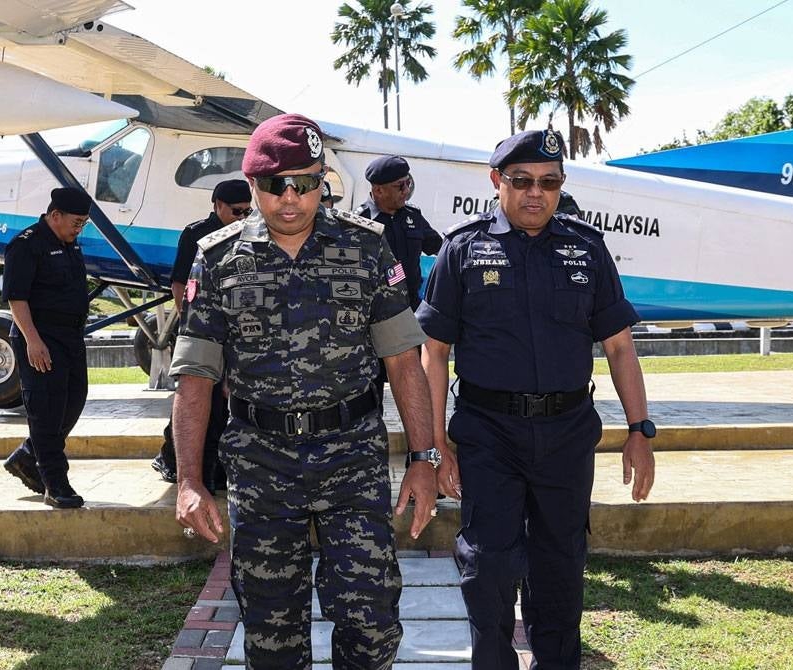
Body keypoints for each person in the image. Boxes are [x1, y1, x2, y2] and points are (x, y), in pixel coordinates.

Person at [170, 113, 439, 670]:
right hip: (261, 464)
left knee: (372, 622)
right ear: (253, 185)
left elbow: (404, 362)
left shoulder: (367, 249)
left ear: (323, 182)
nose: (290, 198)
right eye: (274, 185)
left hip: (353, 459)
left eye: (306, 183)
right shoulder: (218, 260)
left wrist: (423, 458)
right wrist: (189, 481)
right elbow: (195, 378)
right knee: (271, 634)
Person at [416, 129, 656, 669]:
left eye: (549, 183)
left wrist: (640, 432)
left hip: (567, 434)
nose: (535, 193)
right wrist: (434, 447)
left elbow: (619, 346)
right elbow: (433, 352)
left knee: (560, 569)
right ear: (497, 181)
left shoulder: (586, 249)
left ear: (561, 186)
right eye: (522, 181)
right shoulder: (463, 249)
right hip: (488, 433)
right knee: (490, 566)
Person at [151, 178, 252, 489]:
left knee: (224, 403)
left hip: (235, 331)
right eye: (236, 211)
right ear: (217, 206)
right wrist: (192, 322)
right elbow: (179, 284)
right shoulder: (196, 234)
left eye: (248, 211)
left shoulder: (250, 232)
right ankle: (174, 458)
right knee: (195, 397)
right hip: (200, 331)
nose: (242, 217)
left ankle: (217, 470)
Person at [1, 187, 94, 509]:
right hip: (41, 337)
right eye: (76, 222)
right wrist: (33, 341)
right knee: (46, 411)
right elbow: (17, 298)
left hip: (70, 337)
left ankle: (28, 456)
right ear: (55, 215)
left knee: (74, 401)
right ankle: (56, 484)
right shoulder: (27, 245)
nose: (78, 229)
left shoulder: (68, 244)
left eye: (83, 224)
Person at [357, 155, 443, 407]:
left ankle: (418, 445)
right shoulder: (360, 223)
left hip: (409, 317)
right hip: (371, 323)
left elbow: (441, 249)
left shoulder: (413, 217)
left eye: (408, 184)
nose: (406, 191)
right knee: (370, 395)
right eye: (399, 186)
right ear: (378, 190)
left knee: (413, 391)